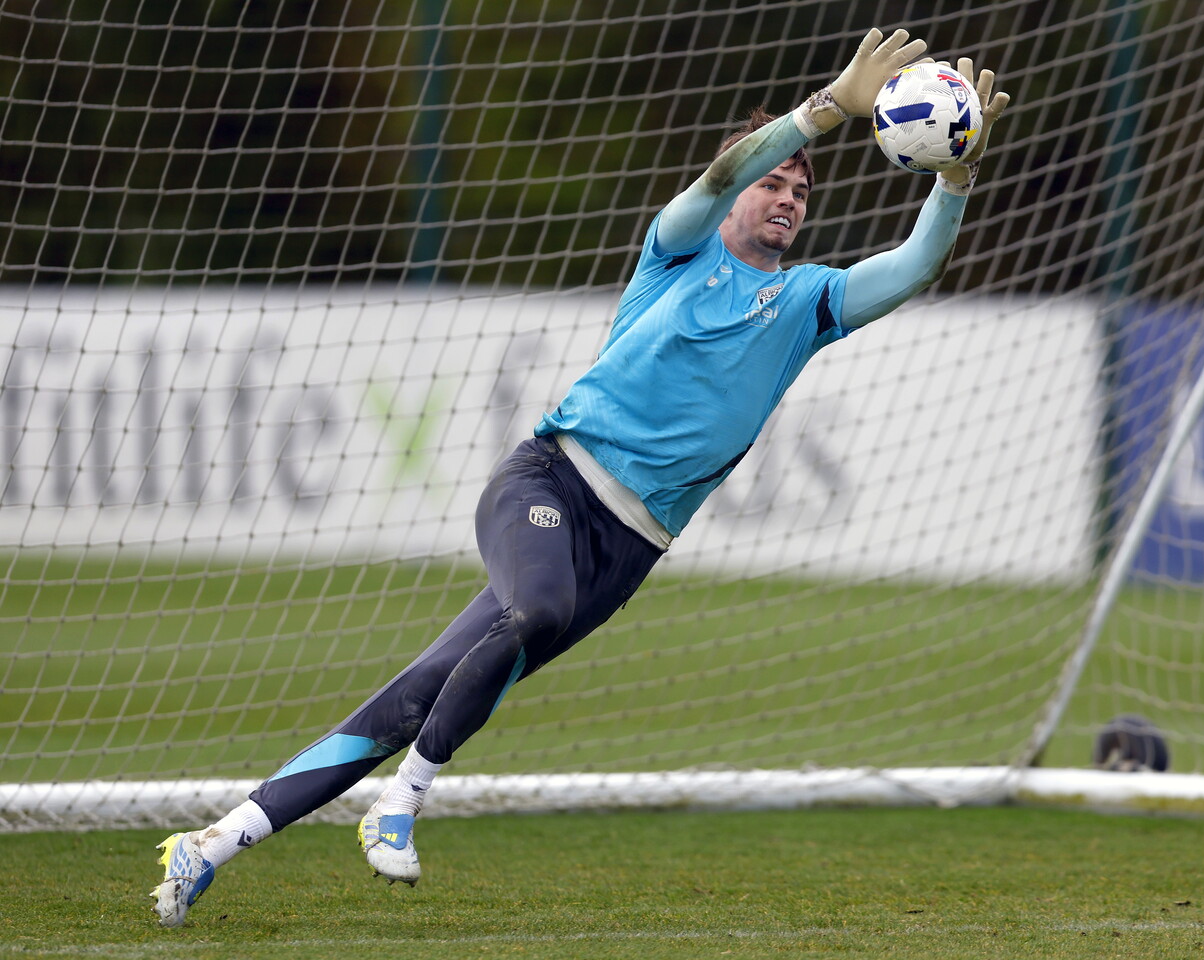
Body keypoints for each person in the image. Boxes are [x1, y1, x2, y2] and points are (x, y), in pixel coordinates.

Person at [150, 27, 1010, 928]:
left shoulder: (807, 303)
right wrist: (822, 114)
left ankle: (207, 846)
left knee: (418, 694)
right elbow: (715, 180)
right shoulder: (678, 250)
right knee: (536, 613)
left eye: (800, 191)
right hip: (549, 484)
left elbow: (912, 269)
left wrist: (953, 179)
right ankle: (401, 800)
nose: (788, 194)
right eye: (775, 180)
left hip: (628, 552)